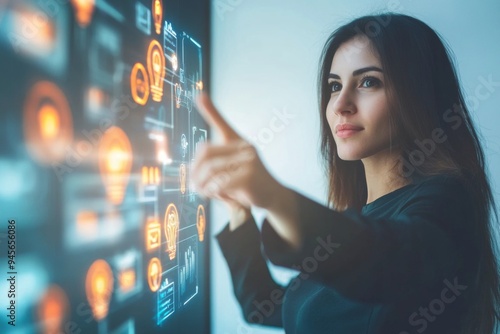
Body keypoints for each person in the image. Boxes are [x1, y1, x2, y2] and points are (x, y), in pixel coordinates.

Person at [191, 13, 500, 334]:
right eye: (335, 86)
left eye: (369, 82)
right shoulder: (357, 218)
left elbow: (391, 264)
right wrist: (238, 208)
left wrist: (274, 196)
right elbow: (265, 305)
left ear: (419, 94)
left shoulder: (448, 201)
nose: (340, 104)